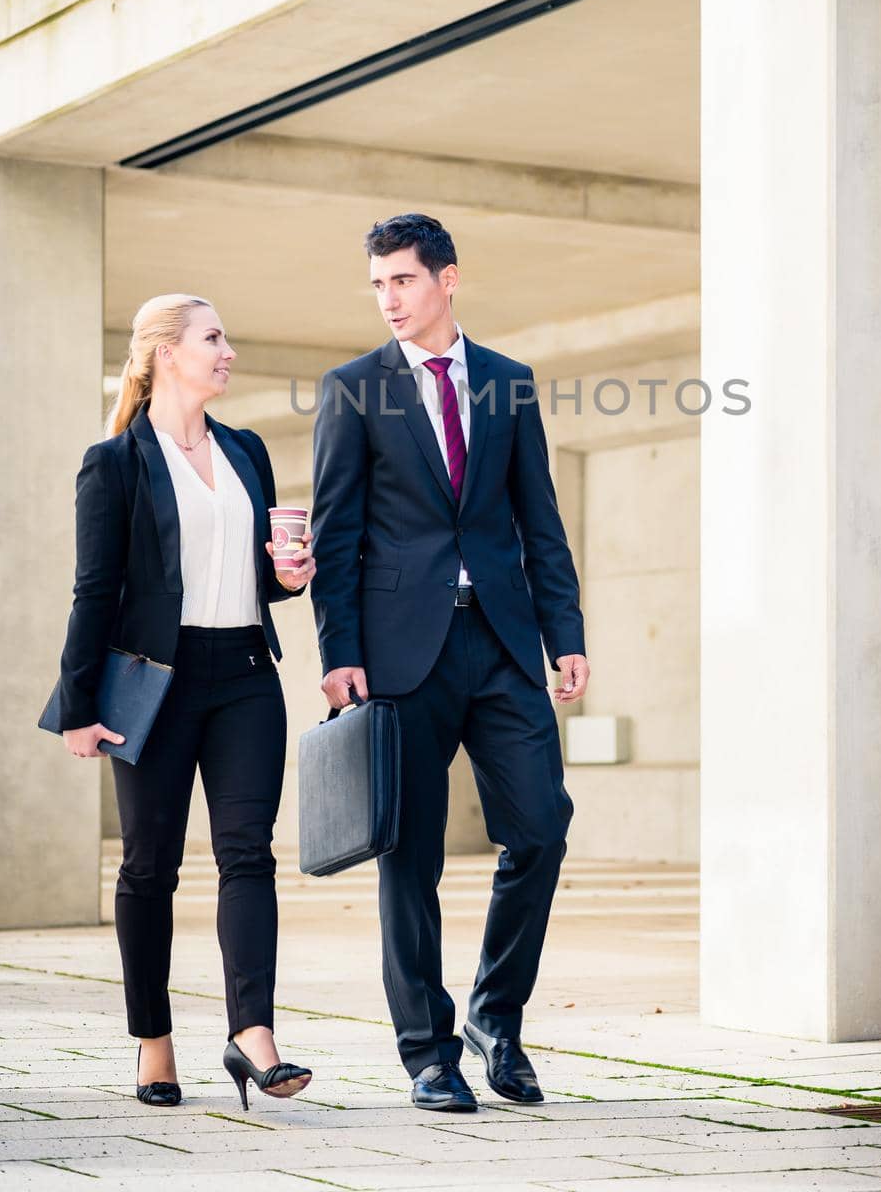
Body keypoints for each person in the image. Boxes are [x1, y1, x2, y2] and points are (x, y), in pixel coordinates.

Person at [311, 214, 590, 1112]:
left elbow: (537, 517)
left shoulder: (508, 384)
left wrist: (566, 632)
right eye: (378, 284)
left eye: (403, 280)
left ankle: (494, 1019)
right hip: (400, 653)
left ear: (448, 280)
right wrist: (340, 652)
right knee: (410, 856)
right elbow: (337, 531)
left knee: (541, 825)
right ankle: (429, 1053)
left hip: (503, 642)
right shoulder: (353, 389)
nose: (389, 298)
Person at [57, 293, 317, 1110]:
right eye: (214, 338)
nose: (228, 350)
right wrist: (77, 703)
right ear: (166, 352)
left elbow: (256, 579)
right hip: (153, 683)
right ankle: (154, 1042)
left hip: (244, 671)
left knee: (248, 853)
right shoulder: (116, 463)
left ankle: (254, 1035)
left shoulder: (246, 450)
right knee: (149, 867)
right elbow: (94, 591)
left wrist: (287, 579)